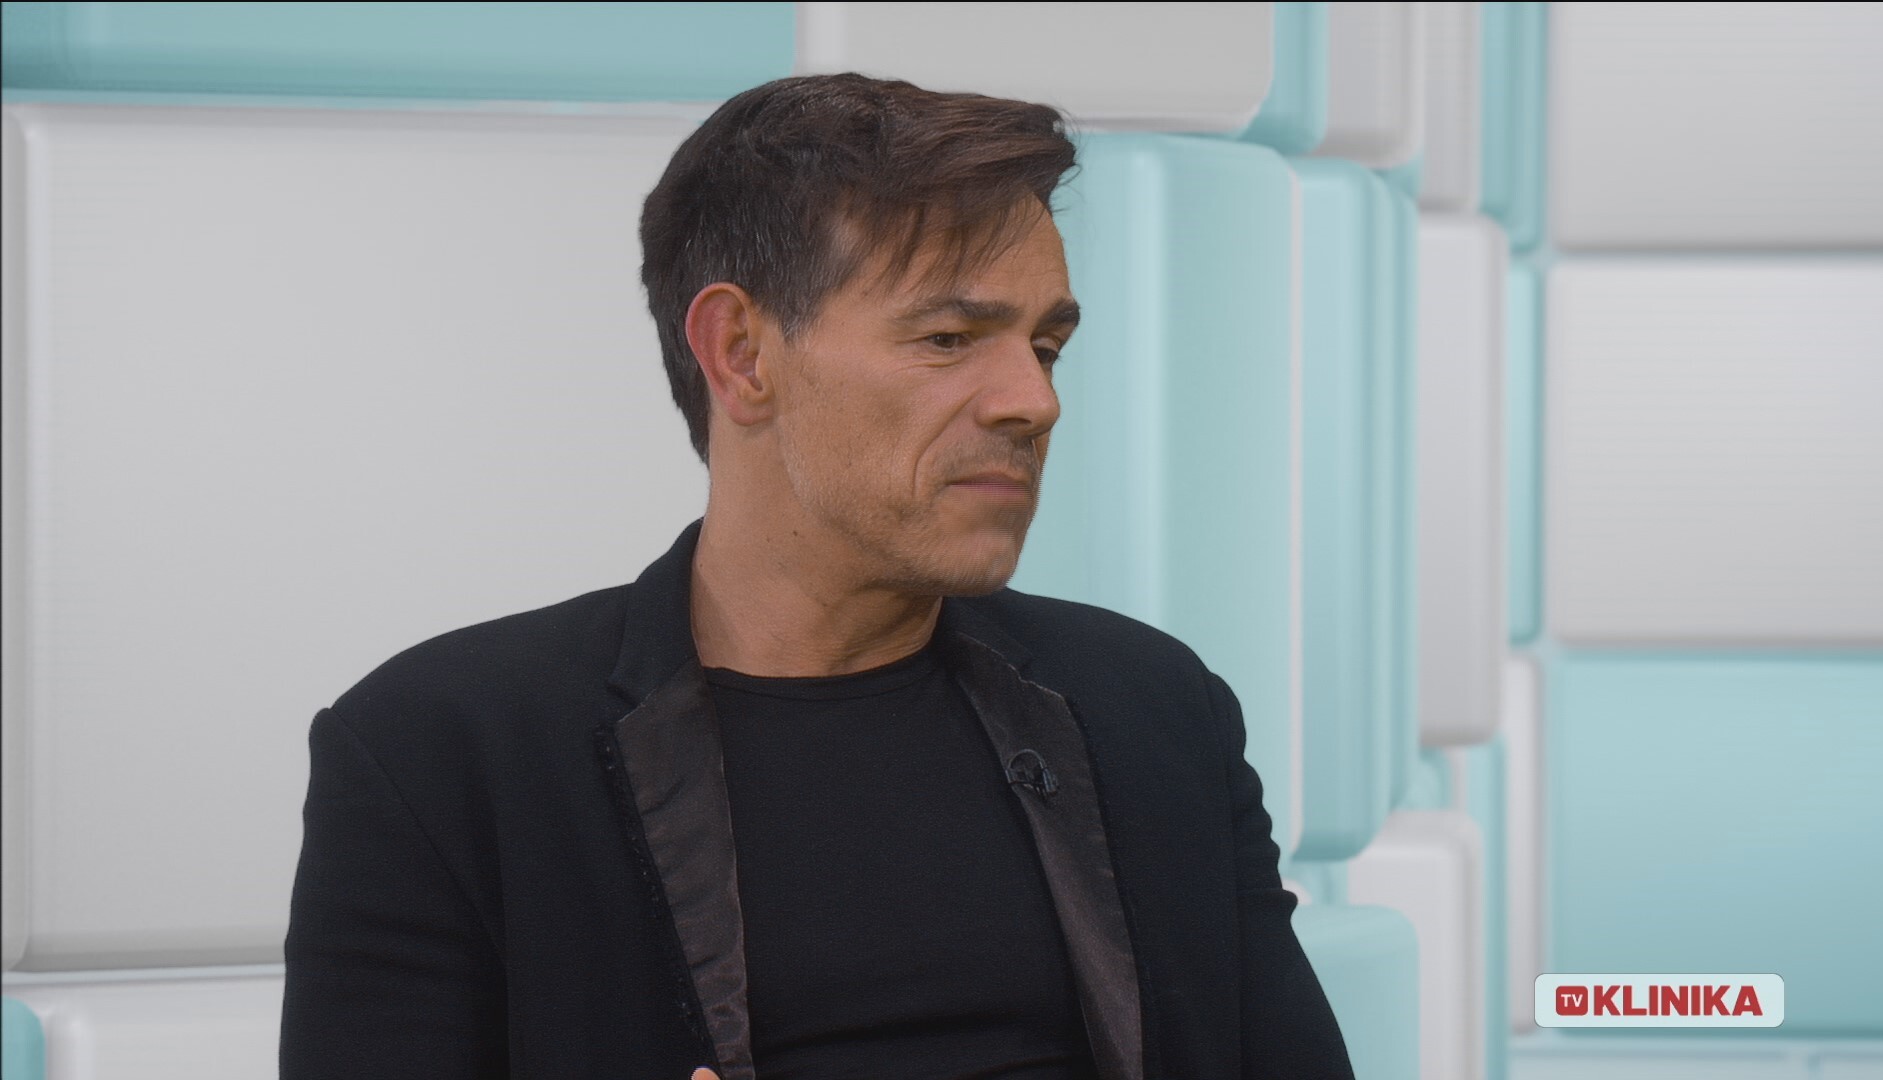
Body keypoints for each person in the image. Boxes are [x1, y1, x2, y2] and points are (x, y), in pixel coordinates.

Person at [280, 72, 1355, 1080]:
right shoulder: (439, 754)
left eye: (1046, 347)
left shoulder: (1154, 709)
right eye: (950, 337)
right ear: (741, 354)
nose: (1034, 402)